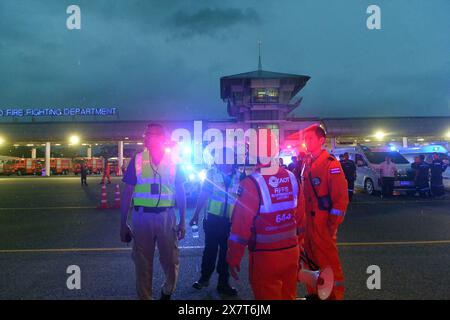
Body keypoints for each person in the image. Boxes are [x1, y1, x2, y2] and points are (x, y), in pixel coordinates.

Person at [120, 123, 186, 300]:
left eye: (151, 134)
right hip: (142, 218)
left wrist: (183, 221)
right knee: (142, 263)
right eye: (146, 134)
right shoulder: (138, 160)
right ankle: (145, 297)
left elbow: (180, 191)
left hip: (167, 217)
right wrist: (123, 223)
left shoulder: (174, 161)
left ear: (162, 138)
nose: (147, 137)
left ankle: (167, 290)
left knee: (171, 261)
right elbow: (127, 192)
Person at [226, 152, 305, 300]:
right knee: (289, 295)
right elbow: (301, 221)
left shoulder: (251, 183)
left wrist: (233, 257)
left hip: (265, 257)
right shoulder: (292, 178)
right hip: (292, 254)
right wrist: (299, 249)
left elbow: (240, 227)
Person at [301, 125, 349, 300]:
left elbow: (341, 199)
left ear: (321, 140)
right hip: (309, 226)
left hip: (322, 226)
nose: (307, 142)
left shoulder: (331, 164)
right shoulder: (307, 163)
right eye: (305, 139)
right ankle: (314, 294)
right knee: (310, 263)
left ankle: (333, 297)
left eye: (310, 139)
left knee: (328, 266)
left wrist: (331, 225)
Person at [189, 149, 240, 296]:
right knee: (210, 251)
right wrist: (196, 214)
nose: (225, 161)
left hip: (231, 222)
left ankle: (223, 284)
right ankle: (204, 278)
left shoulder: (239, 175)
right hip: (213, 219)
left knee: (226, 254)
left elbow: (243, 200)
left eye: (228, 158)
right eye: (222, 158)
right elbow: (203, 194)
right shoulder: (211, 174)